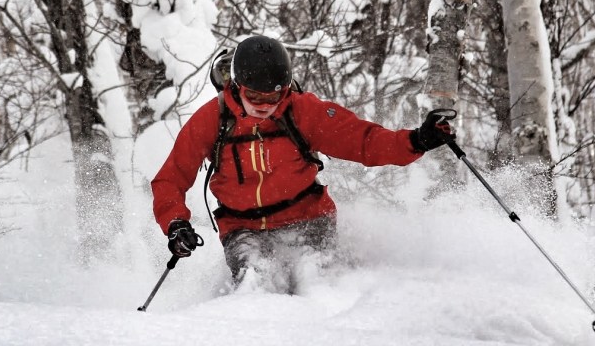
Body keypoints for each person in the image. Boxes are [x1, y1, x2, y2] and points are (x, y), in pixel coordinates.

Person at [150, 35, 454, 290]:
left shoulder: (302, 112)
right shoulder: (212, 120)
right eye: (254, 96)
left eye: (273, 96)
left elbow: (362, 140)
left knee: (316, 282)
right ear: (236, 86)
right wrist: (176, 223)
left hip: (308, 218)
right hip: (243, 227)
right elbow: (171, 179)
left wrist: (415, 141)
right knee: (253, 283)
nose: (264, 106)